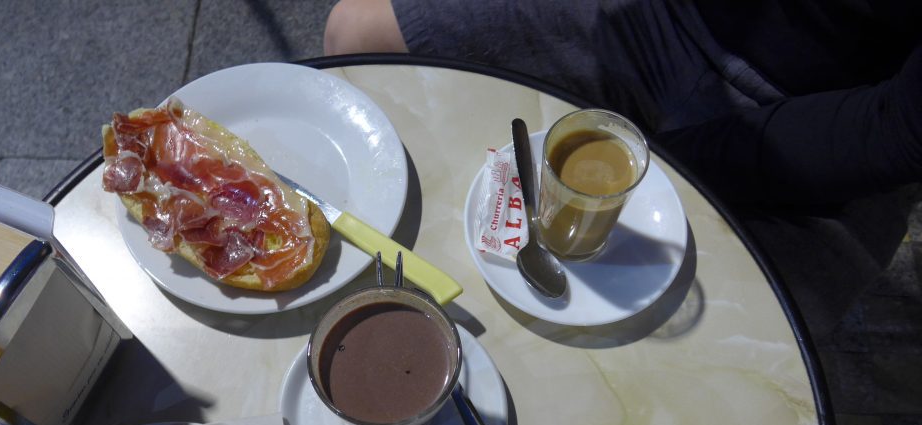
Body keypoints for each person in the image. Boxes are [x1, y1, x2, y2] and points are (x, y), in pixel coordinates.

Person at [324, 0, 922, 337]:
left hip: (842, 111)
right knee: (359, 30)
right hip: (665, 13)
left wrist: (678, 165)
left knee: (730, 357)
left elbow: (899, 129)